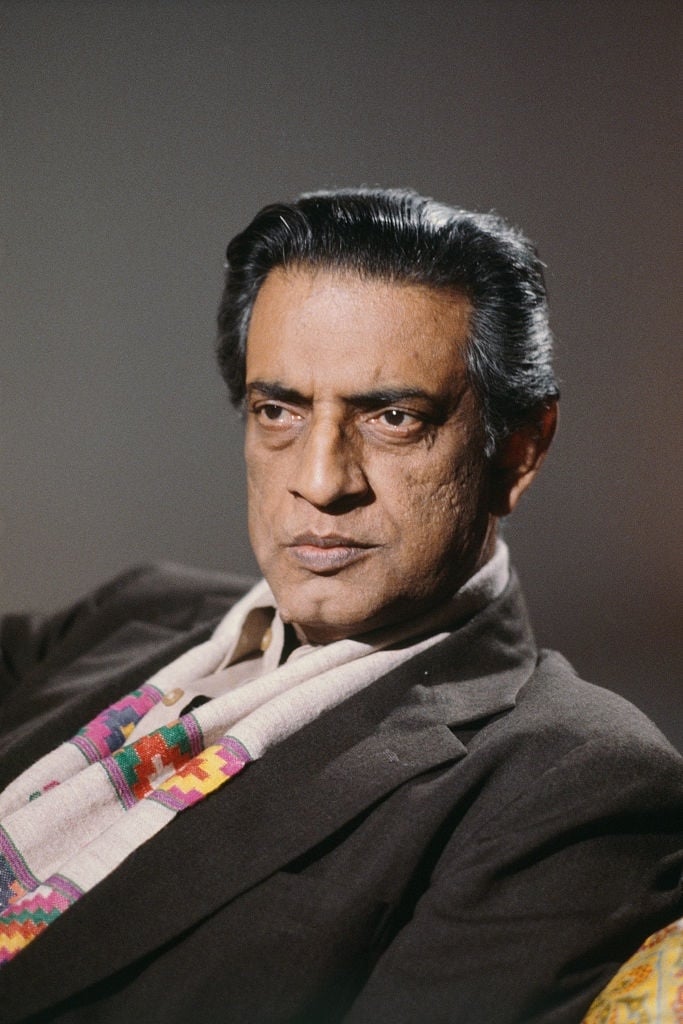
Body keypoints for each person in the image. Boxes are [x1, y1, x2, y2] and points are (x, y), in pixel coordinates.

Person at [0, 189, 680, 1024]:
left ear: (518, 449)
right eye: (277, 411)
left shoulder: (570, 779)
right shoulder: (136, 608)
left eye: (393, 418)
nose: (320, 481)